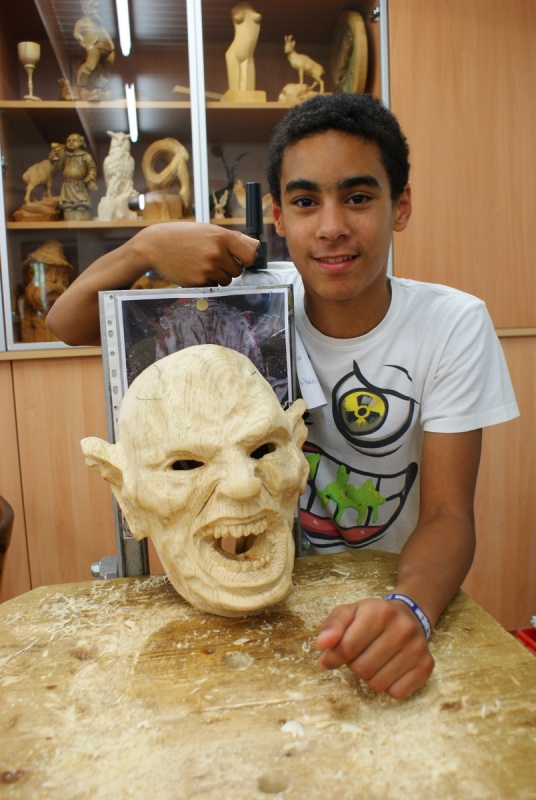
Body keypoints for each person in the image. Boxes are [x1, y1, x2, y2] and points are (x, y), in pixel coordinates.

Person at [47, 93, 518, 700]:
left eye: (358, 197)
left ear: (400, 206)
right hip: (243, 587)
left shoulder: (452, 325)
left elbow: (449, 514)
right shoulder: (247, 307)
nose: (331, 226)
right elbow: (67, 322)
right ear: (276, 215)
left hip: (381, 593)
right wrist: (144, 248)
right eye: (305, 201)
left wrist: (410, 608)